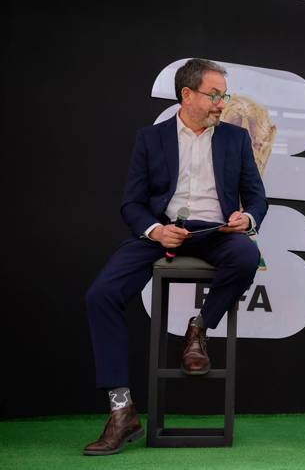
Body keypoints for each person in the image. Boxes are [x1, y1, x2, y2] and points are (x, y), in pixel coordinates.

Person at [83, 58, 267, 456]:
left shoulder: (235, 140)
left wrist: (246, 217)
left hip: (216, 233)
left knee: (247, 257)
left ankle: (198, 328)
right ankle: (121, 410)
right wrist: (155, 230)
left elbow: (256, 197)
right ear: (187, 95)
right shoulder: (151, 138)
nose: (221, 103)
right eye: (214, 95)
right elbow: (131, 204)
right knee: (101, 295)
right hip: (162, 232)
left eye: (224, 94)